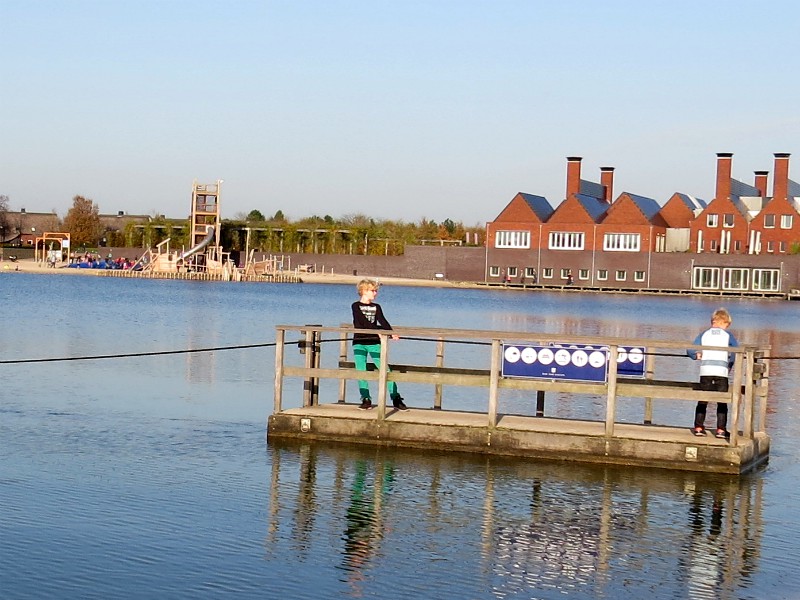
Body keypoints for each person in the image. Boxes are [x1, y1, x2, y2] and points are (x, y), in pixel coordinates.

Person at [351, 278, 407, 411]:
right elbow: (362, 324)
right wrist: (379, 331)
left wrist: (391, 333)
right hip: (359, 342)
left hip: (374, 343)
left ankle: (396, 398)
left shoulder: (377, 307)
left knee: (386, 370)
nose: (375, 293)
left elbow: (383, 321)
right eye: (372, 291)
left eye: (376, 291)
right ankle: (366, 399)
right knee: (361, 371)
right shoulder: (355, 306)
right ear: (364, 291)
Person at [687, 307, 739, 438]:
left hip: (706, 371)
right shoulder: (728, 336)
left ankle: (698, 427)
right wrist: (730, 365)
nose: (727, 328)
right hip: (721, 371)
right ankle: (721, 430)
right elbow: (736, 351)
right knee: (722, 401)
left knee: (703, 400)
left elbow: (690, 350)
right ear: (724, 322)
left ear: (713, 321)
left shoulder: (704, 334)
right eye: (727, 325)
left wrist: (696, 356)